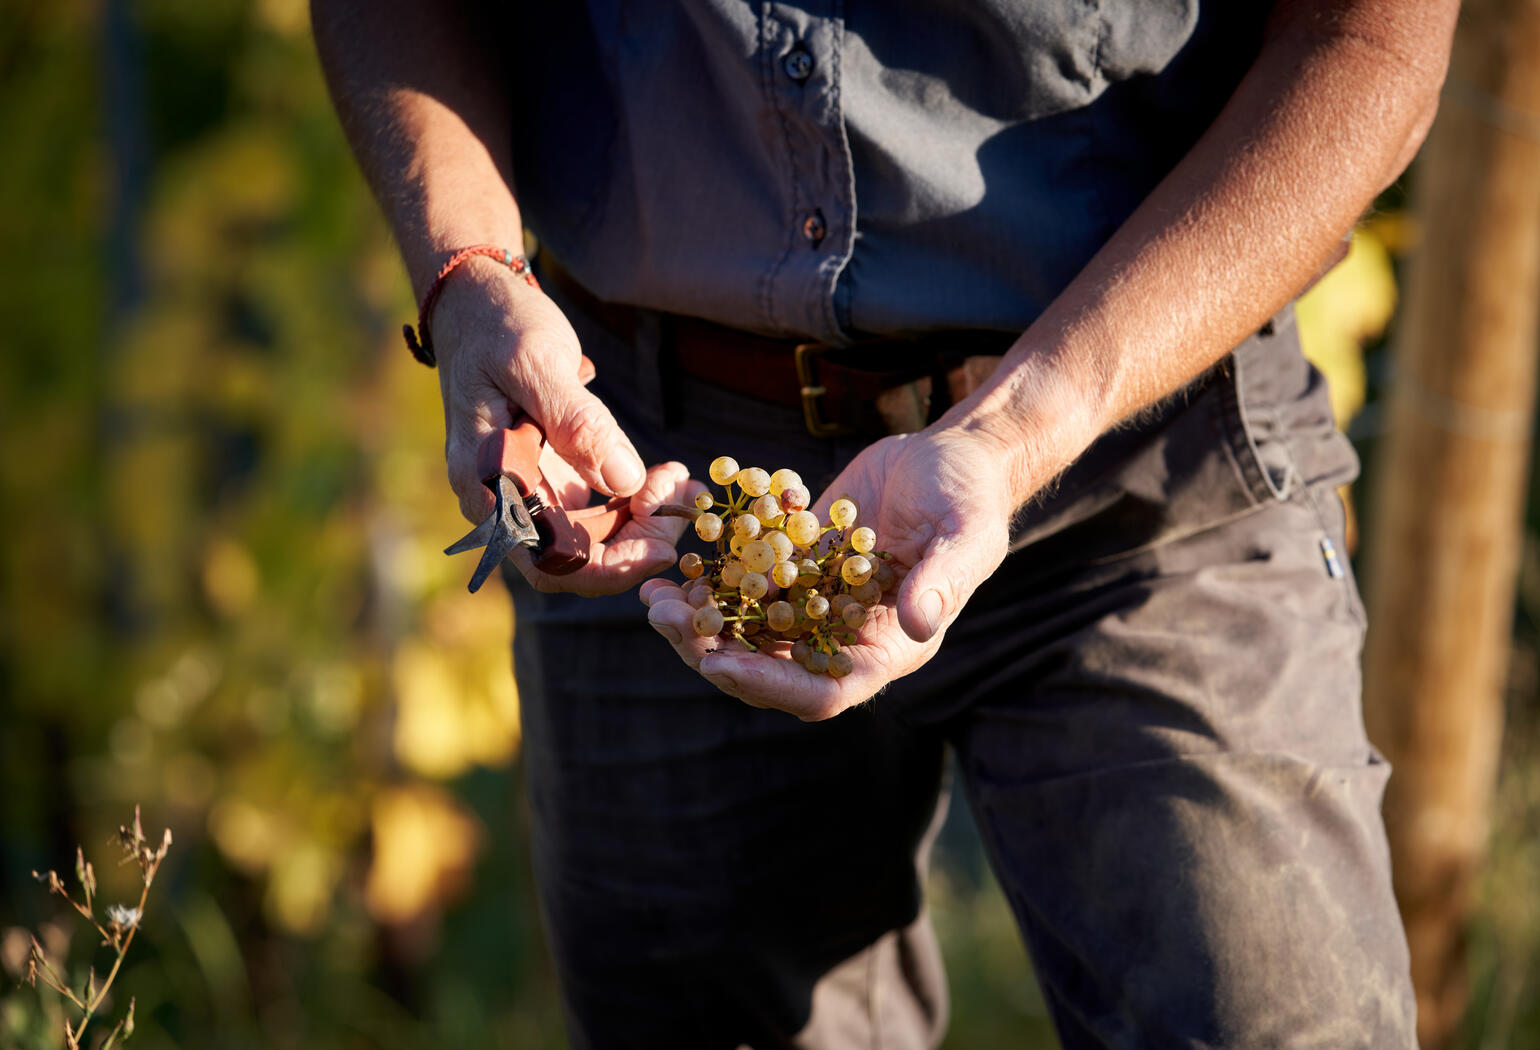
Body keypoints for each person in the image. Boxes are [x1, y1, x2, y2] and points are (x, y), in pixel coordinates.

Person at [313, 2, 1458, 1046]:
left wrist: (1020, 430)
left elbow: (1368, 41)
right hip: (645, 476)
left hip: (1151, 451)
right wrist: (464, 273)